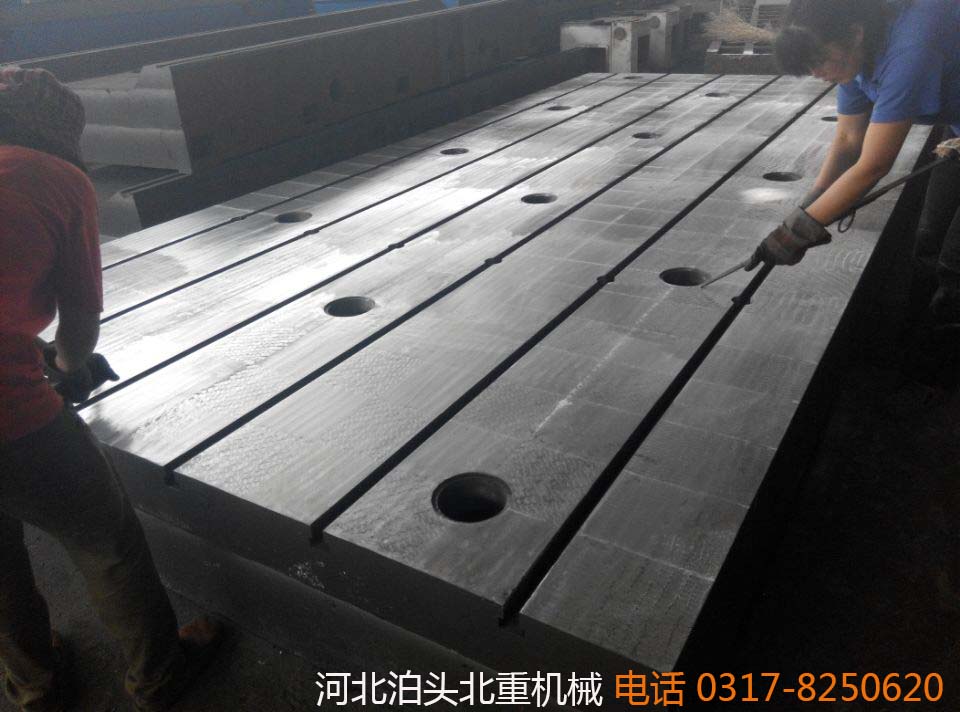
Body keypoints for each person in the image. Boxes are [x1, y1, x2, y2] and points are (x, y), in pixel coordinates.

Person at [0, 67, 222, 711]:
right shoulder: (54, 178)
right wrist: (66, 368)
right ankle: (158, 675)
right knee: (105, 541)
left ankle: (33, 684)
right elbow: (80, 324)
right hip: (10, 420)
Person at [752, 0, 960, 321]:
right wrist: (813, 201)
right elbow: (849, 141)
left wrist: (799, 232)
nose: (818, 74)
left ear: (855, 33)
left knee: (955, 262)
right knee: (929, 236)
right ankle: (922, 322)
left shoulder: (910, 49)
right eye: (810, 67)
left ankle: (945, 329)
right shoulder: (856, 57)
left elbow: (874, 166)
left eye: (820, 60)